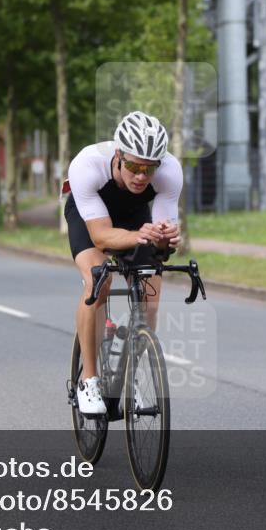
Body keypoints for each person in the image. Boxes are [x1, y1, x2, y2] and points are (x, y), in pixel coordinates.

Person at [64, 111, 182, 415]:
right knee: (97, 281)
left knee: (150, 297)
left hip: (134, 217)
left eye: (149, 167)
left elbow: (161, 248)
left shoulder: (170, 172)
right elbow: (101, 237)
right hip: (90, 217)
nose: (141, 175)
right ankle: (89, 380)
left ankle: (130, 377)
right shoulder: (87, 166)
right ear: (118, 155)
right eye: (133, 165)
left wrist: (166, 238)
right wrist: (140, 236)